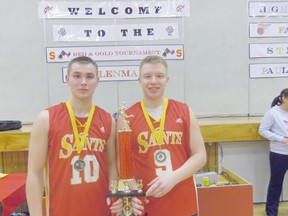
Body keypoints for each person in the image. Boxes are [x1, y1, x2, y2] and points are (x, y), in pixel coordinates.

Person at [26, 56, 122, 216]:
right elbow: (35, 173)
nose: (83, 82)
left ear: (98, 81)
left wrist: (114, 197)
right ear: (67, 79)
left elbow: (112, 167)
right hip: (61, 210)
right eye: (77, 76)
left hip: (100, 210)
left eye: (89, 77)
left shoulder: (108, 120)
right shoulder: (46, 119)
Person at [116, 55, 207, 216]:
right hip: (147, 204)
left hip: (183, 203)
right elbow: (122, 164)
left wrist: (173, 178)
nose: (153, 81)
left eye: (159, 76)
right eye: (147, 76)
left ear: (167, 80)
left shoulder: (184, 111)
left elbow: (200, 155)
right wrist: (135, 192)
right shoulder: (126, 117)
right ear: (139, 80)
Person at [259, 88, 288, 216]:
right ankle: (271, 212)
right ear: (284, 98)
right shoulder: (272, 113)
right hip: (279, 153)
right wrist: (281, 139)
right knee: (276, 183)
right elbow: (263, 130)